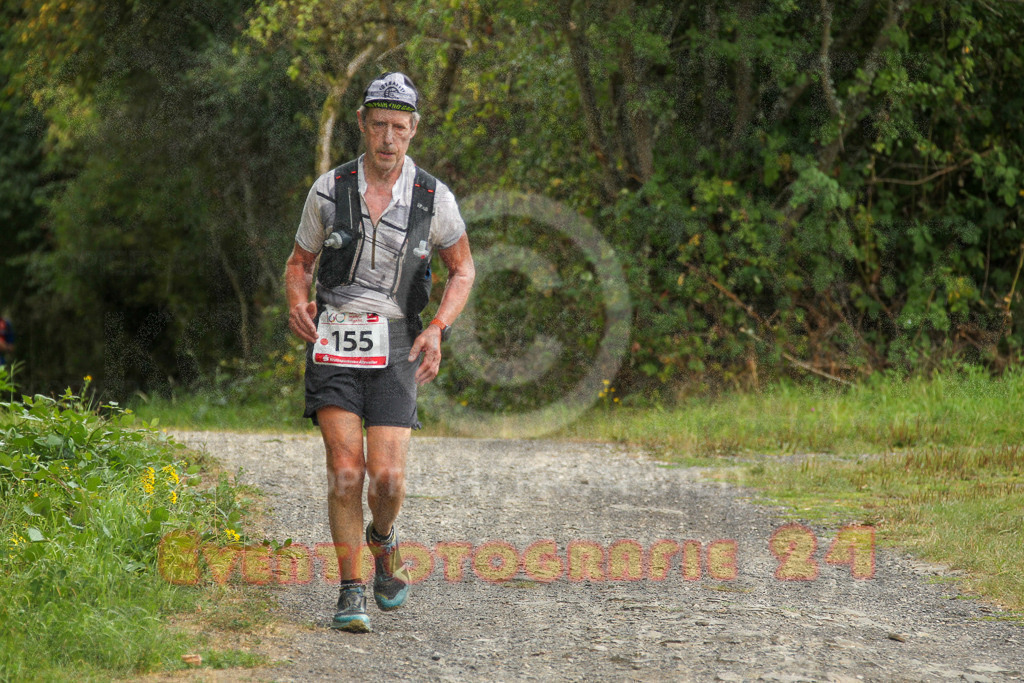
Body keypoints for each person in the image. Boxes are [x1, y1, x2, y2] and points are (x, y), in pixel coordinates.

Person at [284, 72, 474, 632]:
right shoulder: (329, 189)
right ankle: (350, 590)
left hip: (396, 339)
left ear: (413, 131)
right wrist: (298, 301)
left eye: (400, 127)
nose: (388, 138)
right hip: (336, 337)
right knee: (347, 471)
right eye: (379, 125)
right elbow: (299, 264)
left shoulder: (433, 197)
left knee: (386, 479)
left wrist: (438, 326)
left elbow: (462, 268)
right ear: (363, 125)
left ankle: (382, 540)